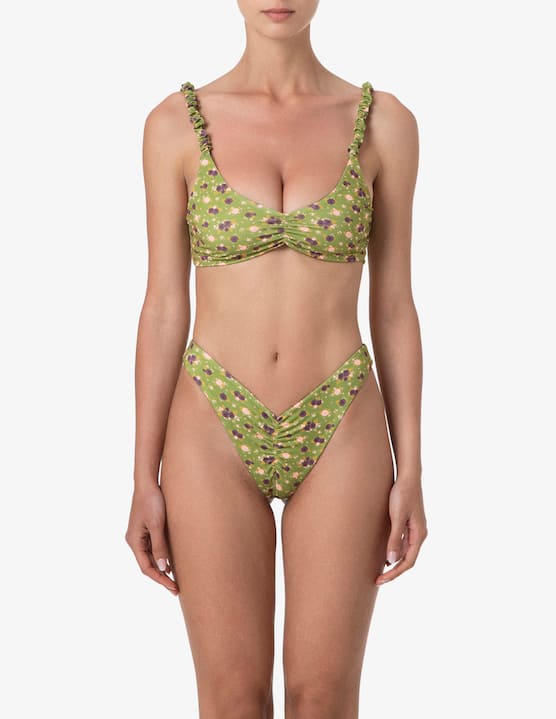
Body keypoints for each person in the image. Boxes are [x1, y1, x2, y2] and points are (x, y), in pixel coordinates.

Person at [126, 1, 427, 716]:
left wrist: (412, 466)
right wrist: (142, 475)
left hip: (341, 418)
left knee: (323, 700)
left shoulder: (384, 123)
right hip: (211, 420)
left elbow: (394, 304)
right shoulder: (174, 125)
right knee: (232, 700)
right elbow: (164, 304)